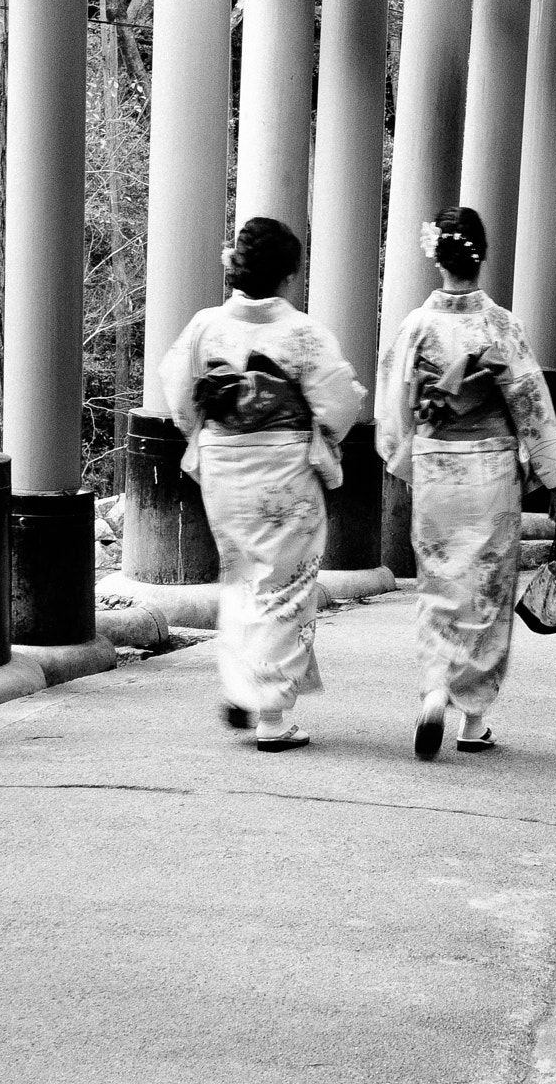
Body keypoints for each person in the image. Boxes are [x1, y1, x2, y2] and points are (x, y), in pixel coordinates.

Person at [376, 204, 556, 760]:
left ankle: (436, 685)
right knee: (487, 589)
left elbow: (394, 409)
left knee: (441, 582)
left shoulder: (416, 326)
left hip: (438, 468)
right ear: (482, 255)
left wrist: (407, 459)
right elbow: (531, 406)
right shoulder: (500, 326)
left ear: (435, 257)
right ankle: (472, 722)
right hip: (491, 472)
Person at [160, 216, 366, 752]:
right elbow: (341, 402)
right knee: (286, 586)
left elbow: (178, 395)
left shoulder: (205, 326)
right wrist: (318, 432)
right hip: (284, 469)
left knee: (244, 577)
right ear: (289, 275)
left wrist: (208, 433)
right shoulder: (302, 333)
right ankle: (272, 716)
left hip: (224, 469)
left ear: (237, 267)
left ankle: (244, 683)